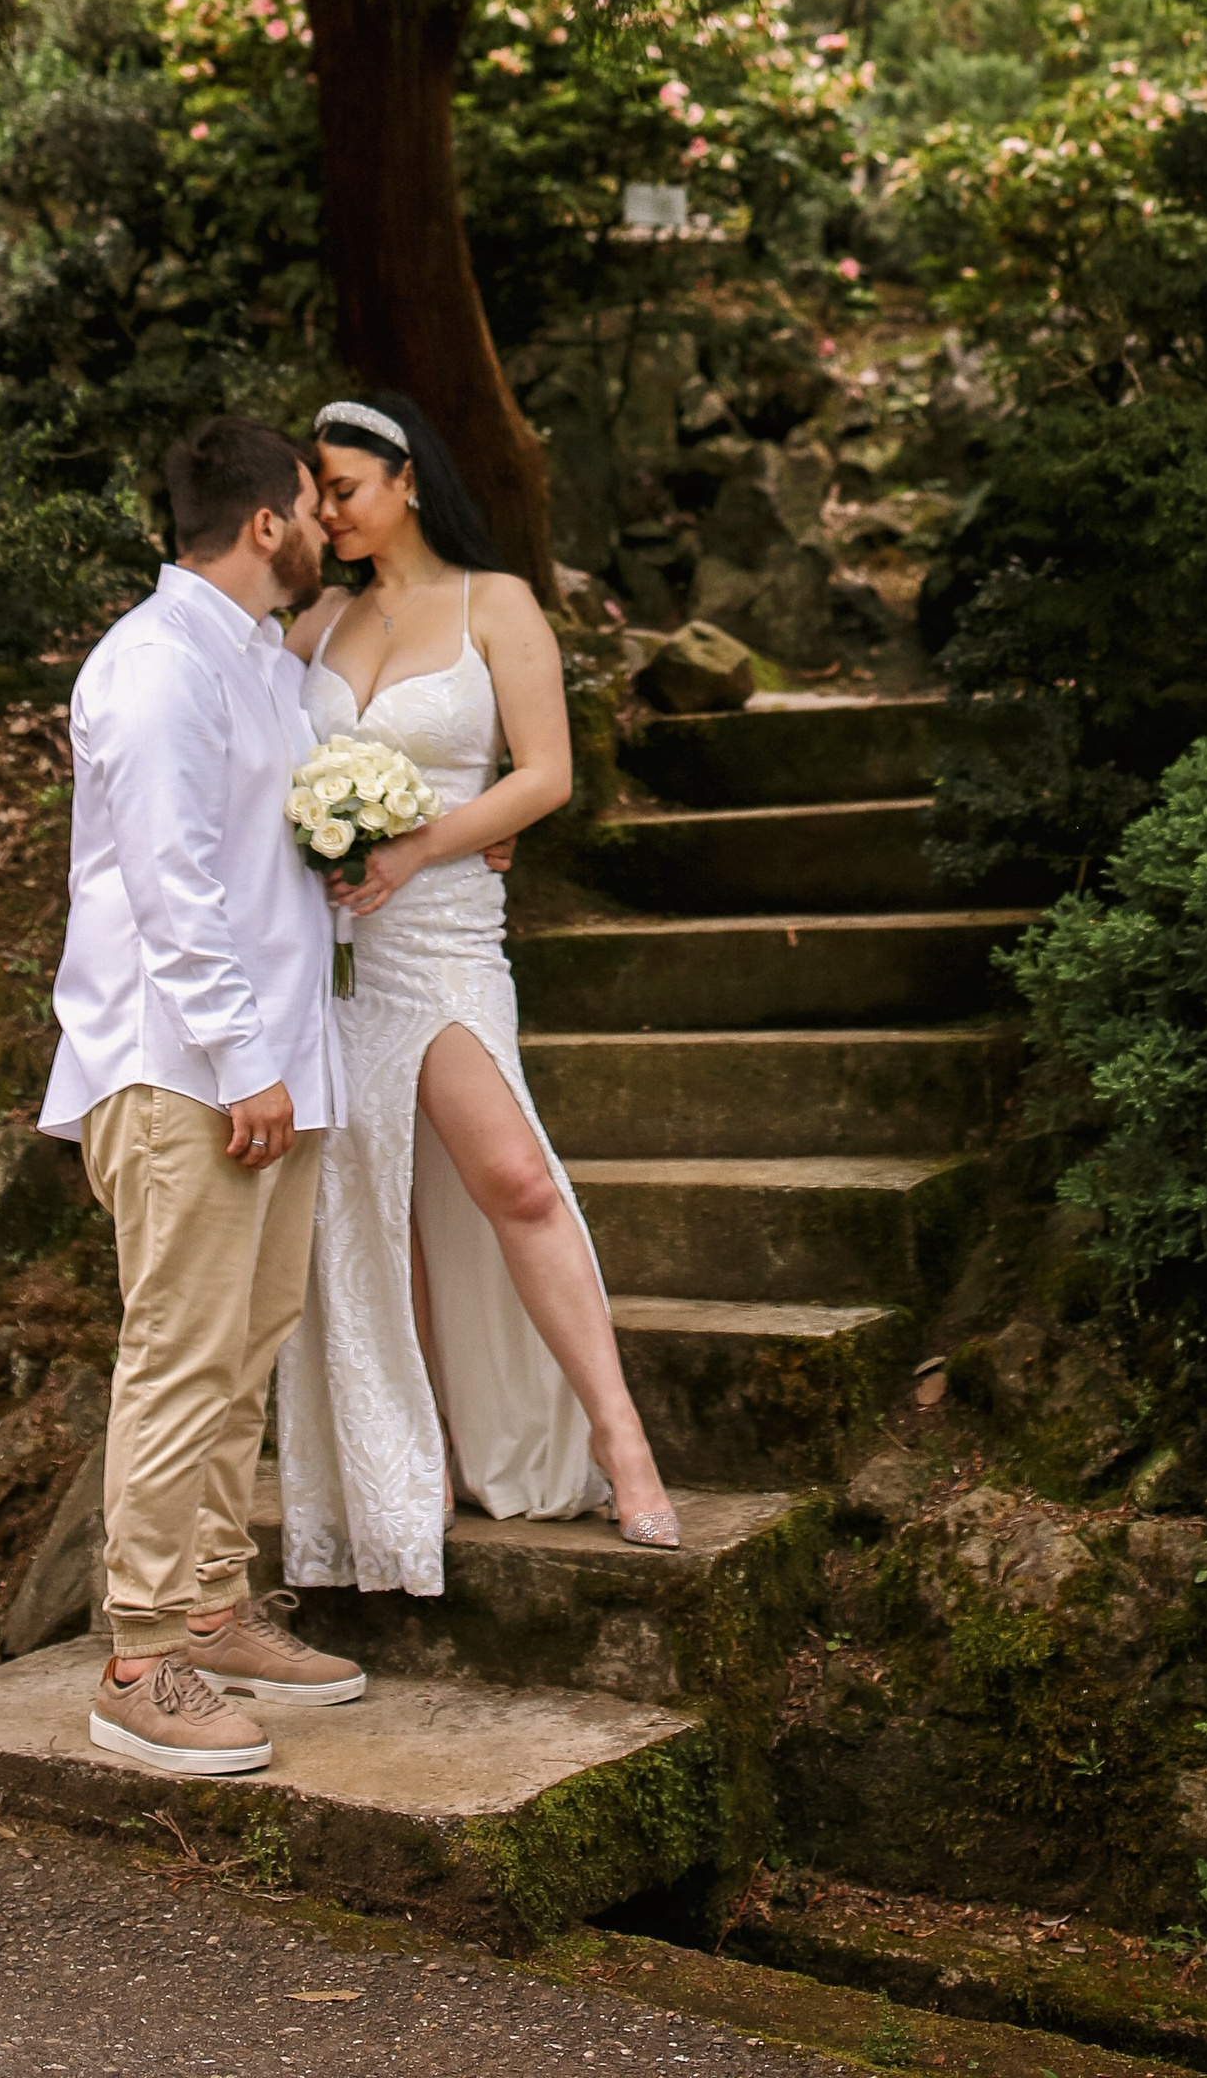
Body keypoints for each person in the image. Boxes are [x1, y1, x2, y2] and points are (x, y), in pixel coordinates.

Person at [270, 389, 679, 1599]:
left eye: (343, 488)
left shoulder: (497, 604)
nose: (328, 511)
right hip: (342, 953)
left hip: (443, 938)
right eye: (316, 493)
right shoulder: (315, 623)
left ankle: (619, 1436)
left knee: (508, 1176)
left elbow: (544, 775)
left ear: (406, 478)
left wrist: (425, 844)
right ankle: (412, 1462)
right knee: (378, 1209)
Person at [38, 415, 370, 1778]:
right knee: (180, 1352)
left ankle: (215, 1609)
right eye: (311, 503)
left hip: (272, 1066)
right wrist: (244, 1064)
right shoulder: (157, 666)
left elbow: (249, 862)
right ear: (263, 524)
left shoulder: (263, 665)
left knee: (248, 1344)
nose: (324, 525)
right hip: (185, 1072)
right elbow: (172, 889)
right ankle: (137, 1661)